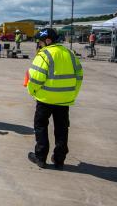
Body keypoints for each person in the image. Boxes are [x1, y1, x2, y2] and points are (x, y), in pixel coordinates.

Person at [26, 28, 83, 170]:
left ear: (48, 40)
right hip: (64, 101)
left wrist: (32, 91)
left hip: (45, 99)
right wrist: (71, 95)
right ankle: (59, 159)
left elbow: (35, 78)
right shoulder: (70, 54)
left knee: (40, 126)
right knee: (62, 129)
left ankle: (40, 158)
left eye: (40, 42)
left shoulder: (44, 54)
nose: (38, 45)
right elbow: (79, 76)